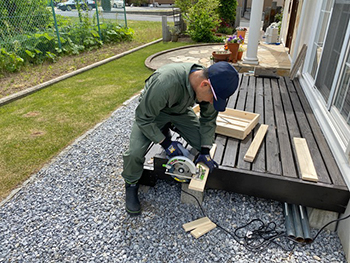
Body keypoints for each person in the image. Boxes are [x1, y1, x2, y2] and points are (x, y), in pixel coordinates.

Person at [122, 61, 239, 215]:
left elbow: (208, 120)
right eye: (213, 99)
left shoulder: (211, 87)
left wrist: (205, 150)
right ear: (204, 84)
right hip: (153, 115)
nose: (212, 102)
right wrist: (166, 143)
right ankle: (130, 185)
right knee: (134, 153)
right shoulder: (165, 82)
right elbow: (143, 118)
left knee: (202, 141)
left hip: (179, 111)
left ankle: (167, 127)